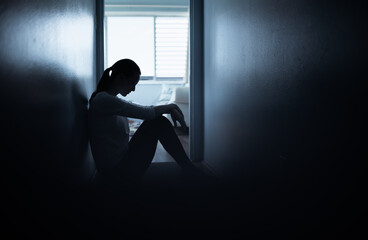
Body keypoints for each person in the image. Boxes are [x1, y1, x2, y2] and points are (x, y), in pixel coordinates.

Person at [88, 59, 199, 184]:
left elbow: (145, 110)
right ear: (120, 78)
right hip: (115, 174)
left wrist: (169, 107)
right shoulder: (104, 100)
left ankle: (187, 167)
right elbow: (147, 113)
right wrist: (171, 106)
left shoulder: (108, 99)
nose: (134, 89)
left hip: (120, 164)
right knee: (158, 122)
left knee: (157, 120)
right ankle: (187, 167)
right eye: (132, 84)